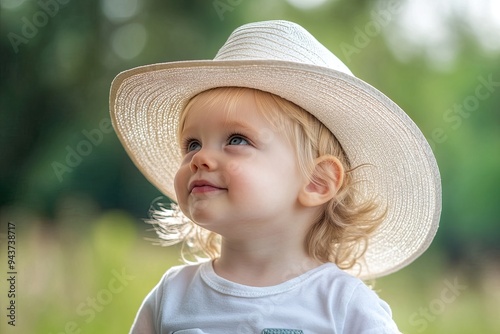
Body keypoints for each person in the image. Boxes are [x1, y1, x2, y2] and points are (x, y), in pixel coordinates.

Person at [109, 20, 441, 334]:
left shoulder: (344, 306)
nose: (200, 158)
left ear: (316, 182)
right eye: (192, 144)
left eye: (237, 140)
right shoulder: (173, 296)